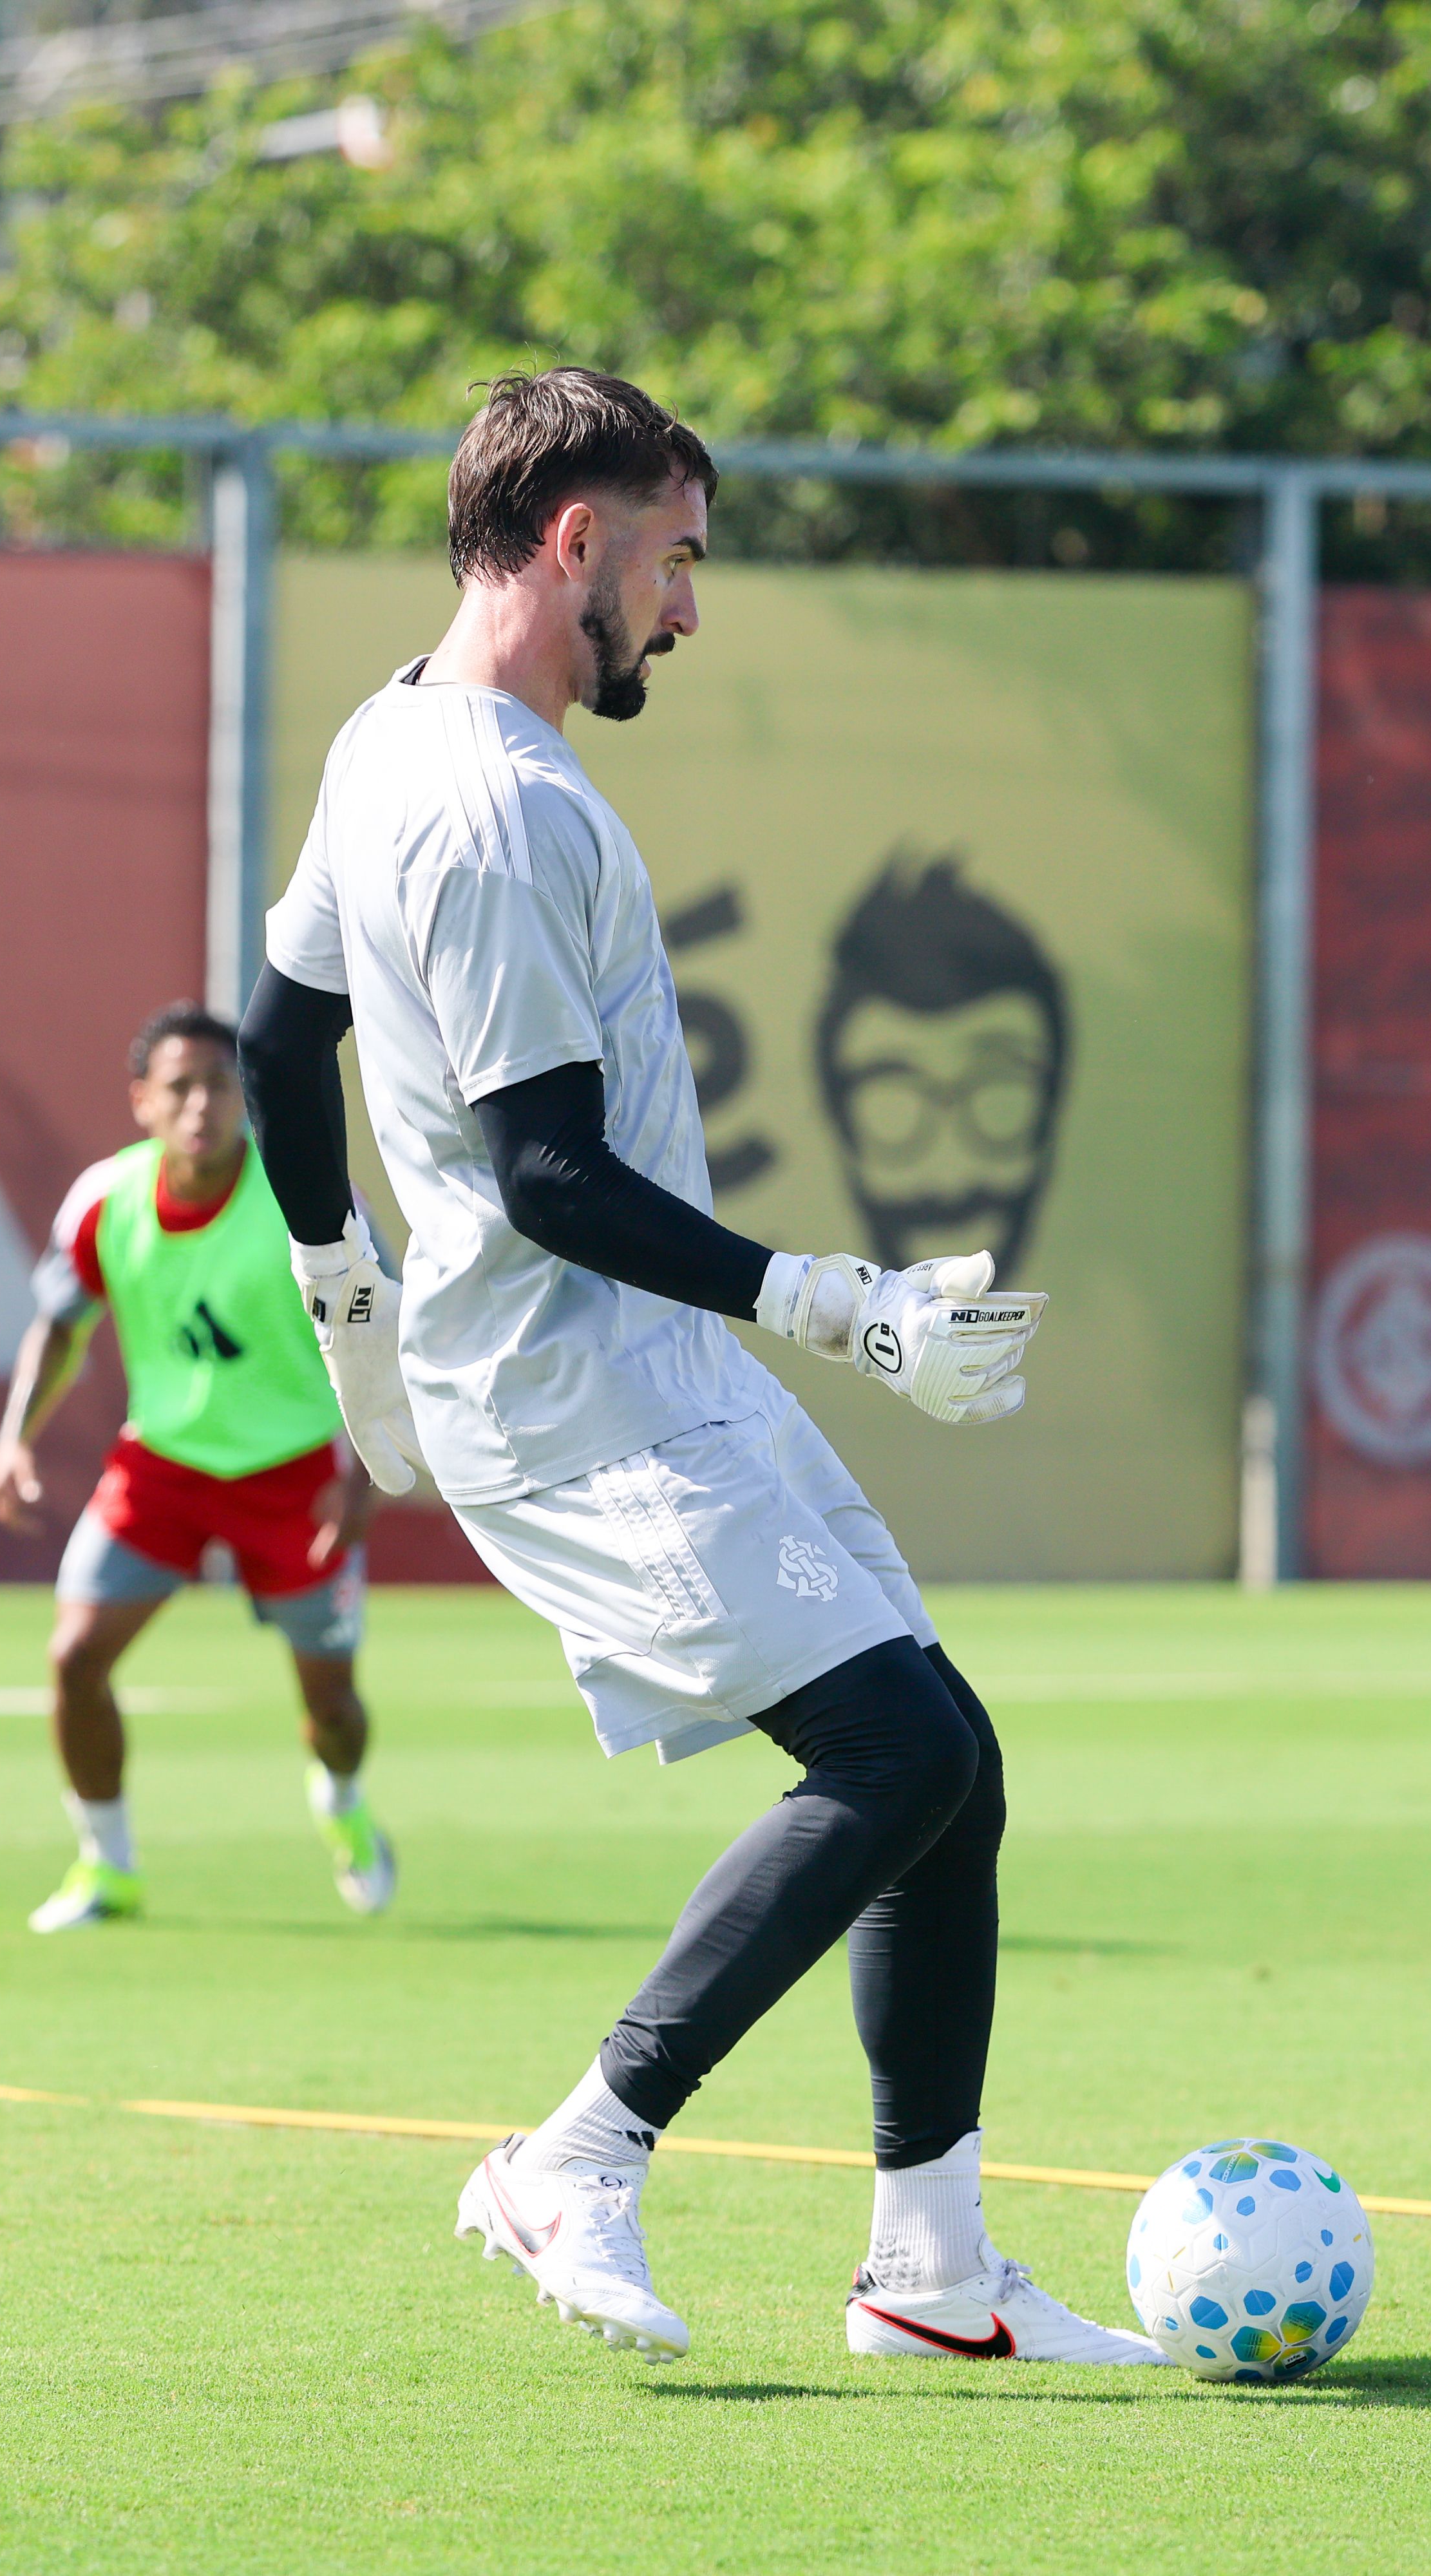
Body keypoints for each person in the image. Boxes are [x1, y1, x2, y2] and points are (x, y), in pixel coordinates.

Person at [234, 366, 1157, 2369]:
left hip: (634, 1371)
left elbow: (278, 1039)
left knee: (949, 1763)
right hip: (577, 1402)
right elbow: (548, 1176)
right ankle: (577, 2151)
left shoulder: (389, 736)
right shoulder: (491, 806)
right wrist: (835, 1298)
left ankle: (931, 2270)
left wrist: (342, 1290)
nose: (687, 606)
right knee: (894, 1755)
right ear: (573, 538)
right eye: (672, 558)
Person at [0, 1002, 394, 1933]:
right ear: (142, 1101)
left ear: (245, 1097)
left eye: (219, 1084)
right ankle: (108, 1867)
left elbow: (379, 1329)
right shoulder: (106, 1199)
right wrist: (15, 1439)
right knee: (74, 1658)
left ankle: (341, 1801)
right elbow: (59, 1326)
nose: (201, 1104)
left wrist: (369, 1469)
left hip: (296, 1476)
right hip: (162, 1467)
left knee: (333, 1710)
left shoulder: (306, 1194)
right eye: (180, 1087)